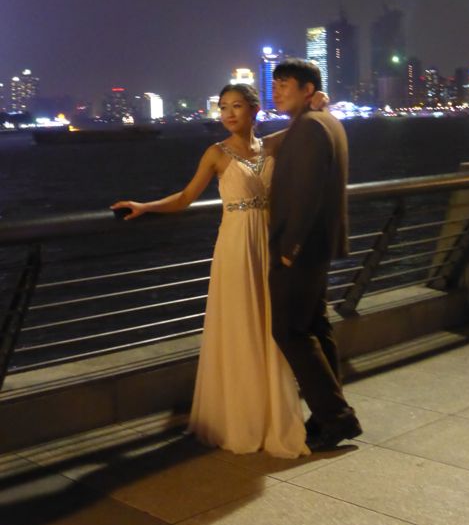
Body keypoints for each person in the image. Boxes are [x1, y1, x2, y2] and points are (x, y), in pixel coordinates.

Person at [111, 83, 324, 458]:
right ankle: (240, 418)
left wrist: (317, 102)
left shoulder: (272, 146)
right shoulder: (216, 153)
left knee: (270, 326)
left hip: (268, 245)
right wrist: (145, 206)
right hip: (235, 247)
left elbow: (306, 124)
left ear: (254, 110)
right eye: (223, 107)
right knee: (241, 325)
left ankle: (271, 415)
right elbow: (184, 198)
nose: (228, 114)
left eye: (236, 106)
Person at [269, 59, 362, 450]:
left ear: (308, 89)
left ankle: (337, 418)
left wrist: (289, 249)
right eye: (274, 84)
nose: (277, 90)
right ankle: (326, 415)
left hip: (301, 249)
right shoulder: (324, 121)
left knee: (290, 331)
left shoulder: (310, 127)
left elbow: (306, 193)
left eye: (285, 84)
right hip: (319, 246)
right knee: (316, 327)